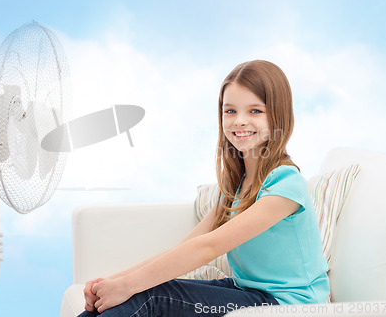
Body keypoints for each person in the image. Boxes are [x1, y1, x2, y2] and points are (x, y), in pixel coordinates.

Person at [78, 60, 330, 316]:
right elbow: (187, 245)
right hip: (247, 293)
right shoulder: (237, 185)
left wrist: (126, 285)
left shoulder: (285, 185)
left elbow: (208, 247)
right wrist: (110, 283)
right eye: (230, 111)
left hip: (287, 306)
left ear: (279, 115)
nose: (239, 121)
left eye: (255, 111)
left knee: (151, 296)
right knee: (134, 295)